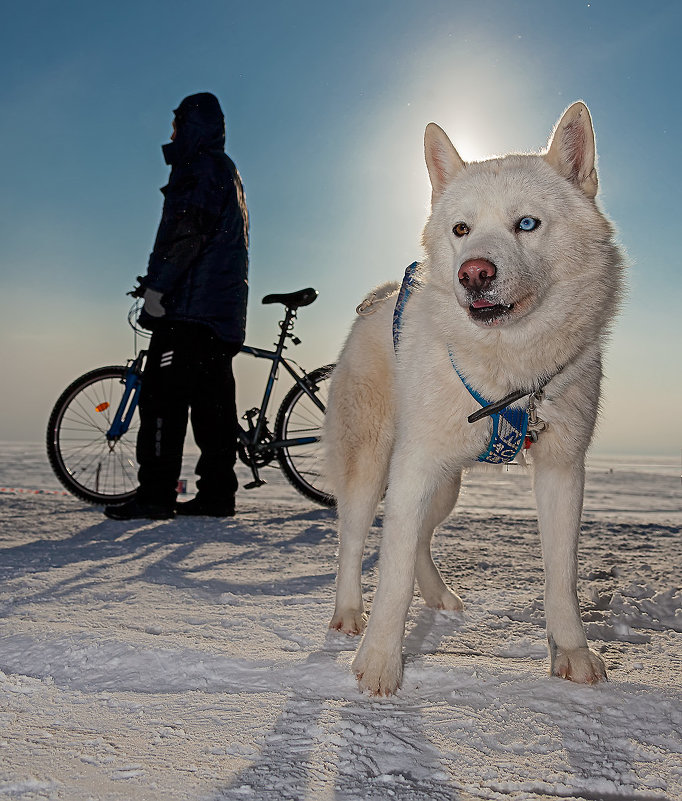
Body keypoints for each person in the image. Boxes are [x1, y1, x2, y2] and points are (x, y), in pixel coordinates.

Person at [105, 92, 249, 520]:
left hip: (189, 310)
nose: (171, 133)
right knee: (212, 408)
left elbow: (185, 232)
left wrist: (157, 288)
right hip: (219, 314)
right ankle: (218, 494)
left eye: (176, 124)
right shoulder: (226, 170)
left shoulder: (201, 167)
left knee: (162, 401)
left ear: (191, 126)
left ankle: (155, 494)